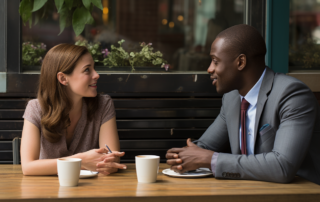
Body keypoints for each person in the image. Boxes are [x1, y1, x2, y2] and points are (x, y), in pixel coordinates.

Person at [166, 24, 320, 185]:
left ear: (241, 62)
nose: (209, 69)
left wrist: (209, 159)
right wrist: (181, 157)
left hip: (302, 194)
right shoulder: (232, 98)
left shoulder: (292, 95)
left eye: (215, 61)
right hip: (250, 190)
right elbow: (205, 147)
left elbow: (283, 167)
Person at [21, 44, 127, 175]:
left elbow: (111, 160)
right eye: (87, 70)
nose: (96, 75)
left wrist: (106, 164)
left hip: (91, 189)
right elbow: (28, 167)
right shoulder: (36, 108)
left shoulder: (103, 105)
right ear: (63, 78)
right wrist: (81, 161)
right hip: (46, 189)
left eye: (94, 68)